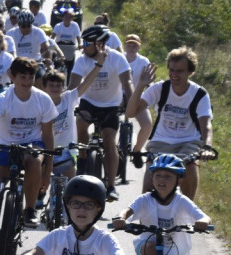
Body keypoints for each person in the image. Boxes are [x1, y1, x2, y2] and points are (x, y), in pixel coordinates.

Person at [0, 57, 57, 255]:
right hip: (6, 147)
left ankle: (29, 209)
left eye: (30, 77)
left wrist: (48, 171)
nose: (26, 81)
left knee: (34, 159)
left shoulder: (43, 99)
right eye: (22, 77)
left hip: (33, 144)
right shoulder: (3, 97)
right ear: (13, 77)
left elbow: (48, 135)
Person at [125, 46, 215, 200]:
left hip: (189, 142)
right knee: (148, 188)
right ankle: (144, 221)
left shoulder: (199, 94)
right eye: (171, 70)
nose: (174, 75)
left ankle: (188, 215)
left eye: (179, 71)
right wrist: (140, 84)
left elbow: (205, 124)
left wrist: (207, 147)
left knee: (190, 168)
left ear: (190, 72)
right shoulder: (159, 88)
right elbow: (130, 113)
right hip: (161, 141)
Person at [68, 25, 132, 202]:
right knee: (80, 123)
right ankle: (82, 160)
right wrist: (65, 103)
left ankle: (111, 186)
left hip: (111, 105)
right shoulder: (82, 60)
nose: (83, 46)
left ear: (99, 44)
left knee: (110, 140)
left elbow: (127, 82)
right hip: (89, 102)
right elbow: (72, 85)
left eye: (87, 43)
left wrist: (131, 103)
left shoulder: (117, 58)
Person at [122, 34, 153, 159]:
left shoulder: (143, 61)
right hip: (116, 97)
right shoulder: (119, 58)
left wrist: (150, 87)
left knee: (147, 124)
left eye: (134, 44)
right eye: (129, 44)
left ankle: (137, 151)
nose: (131, 47)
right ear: (125, 45)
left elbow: (149, 80)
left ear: (139, 46)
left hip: (136, 97)